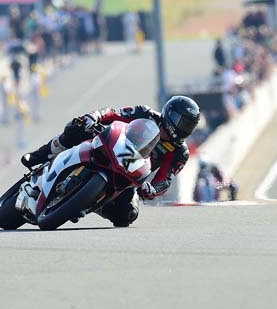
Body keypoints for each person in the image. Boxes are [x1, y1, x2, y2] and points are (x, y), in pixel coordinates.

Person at [19, 96, 201, 227]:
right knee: (77, 126)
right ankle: (40, 155)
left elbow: (165, 178)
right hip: (110, 146)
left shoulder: (180, 153)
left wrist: (151, 189)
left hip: (129, 175)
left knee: (127, 216)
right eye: (180, 121)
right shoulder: (146, 113)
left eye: (188, 125)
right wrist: (95, 117)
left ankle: (90, 203)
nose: (182, 128)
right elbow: (113, 113)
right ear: (169, 113)